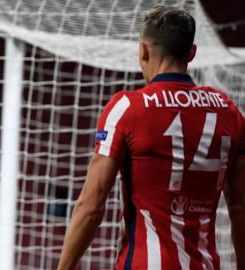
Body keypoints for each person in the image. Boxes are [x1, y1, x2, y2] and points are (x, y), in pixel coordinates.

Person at [58, 5, 245, 270]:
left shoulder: (127, 108)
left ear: (143, 51)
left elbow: (91, 206)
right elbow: (240, 207)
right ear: (191, 54)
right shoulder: (228, 111)